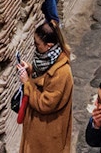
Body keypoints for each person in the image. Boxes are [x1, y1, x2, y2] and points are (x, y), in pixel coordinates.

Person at [17, 21, 73, 153]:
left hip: (48, 134)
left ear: (49, 46)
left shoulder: (62, 73)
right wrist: (29, 70)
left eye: (37, 44)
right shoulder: (47, 59)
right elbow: (43, 78)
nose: (35, 47)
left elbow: (45, 103)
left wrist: (27, 83)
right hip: (37, 128)